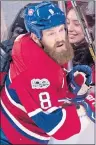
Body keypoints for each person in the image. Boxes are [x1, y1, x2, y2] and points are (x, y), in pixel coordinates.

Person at [0, 1, 95, 145]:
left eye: (61, 29)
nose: (59, 38)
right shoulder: (35, 73)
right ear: (35, 37)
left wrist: (67, 81)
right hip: (15, 138)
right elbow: (58, 127)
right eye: (51, 33)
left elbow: (51, 80)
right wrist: (86, 107)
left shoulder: (36, 44)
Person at [66, 1, 94, 67]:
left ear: (90, 27)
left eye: (77, 24)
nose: (69, 29)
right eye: (67, 22)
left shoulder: (87, 57)